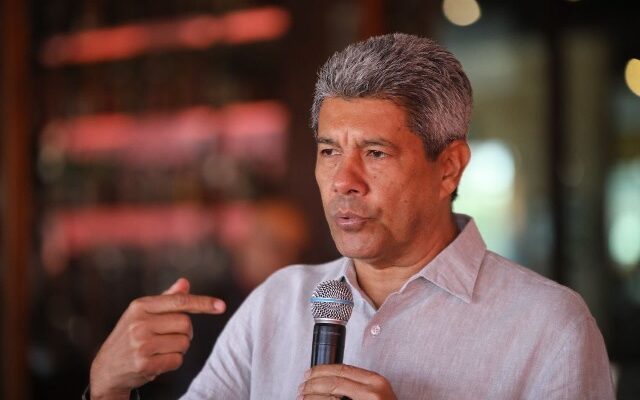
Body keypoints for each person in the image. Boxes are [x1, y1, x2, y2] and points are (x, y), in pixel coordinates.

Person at [87, 33, 615, 399]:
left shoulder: (549, 327)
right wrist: (108, 388)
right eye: (329, 151)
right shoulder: (278, 303)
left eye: (376, 153)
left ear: (449, 167)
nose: (344, 180)